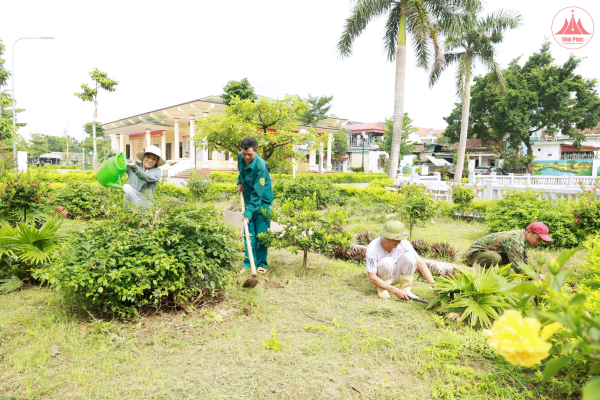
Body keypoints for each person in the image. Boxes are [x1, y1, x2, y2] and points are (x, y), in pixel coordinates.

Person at [366, 220, 436, 300]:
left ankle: (406, 289)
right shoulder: (373, 247)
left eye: (400, 238)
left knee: (410, 257)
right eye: (395, 239)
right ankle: (383, 290)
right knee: (387, 261)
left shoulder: (403, 243)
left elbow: (420, 263)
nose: (399, 241)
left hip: (395, 275)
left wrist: (435, 287)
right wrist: (395, 290)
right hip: (380, 278)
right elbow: (372, 278)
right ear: (386, 237)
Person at [236, 137, 273, 273]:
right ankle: (248, 264)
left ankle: (261, 264)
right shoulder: (241, 157)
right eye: (244, 153)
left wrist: (248, 211)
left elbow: (258, 195)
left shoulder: (261, 166)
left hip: (262, 201)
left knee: (261, 234)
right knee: (248, 233)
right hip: (248, 198)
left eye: (250, 154)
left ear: (256, 151)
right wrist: (240, 182)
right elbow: (241, 171)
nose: (246, 157)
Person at [465, 222, 552, 279]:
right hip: (475, 253)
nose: (539, 243)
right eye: (538, 239)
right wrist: (538, 276)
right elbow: (519, 268)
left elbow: (523, 263)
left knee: (507, 259)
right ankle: (477, 275)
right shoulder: (515, 240)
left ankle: (494, 276)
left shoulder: (524, 241)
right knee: (495, 258)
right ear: (528, 232)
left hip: (488, 253)